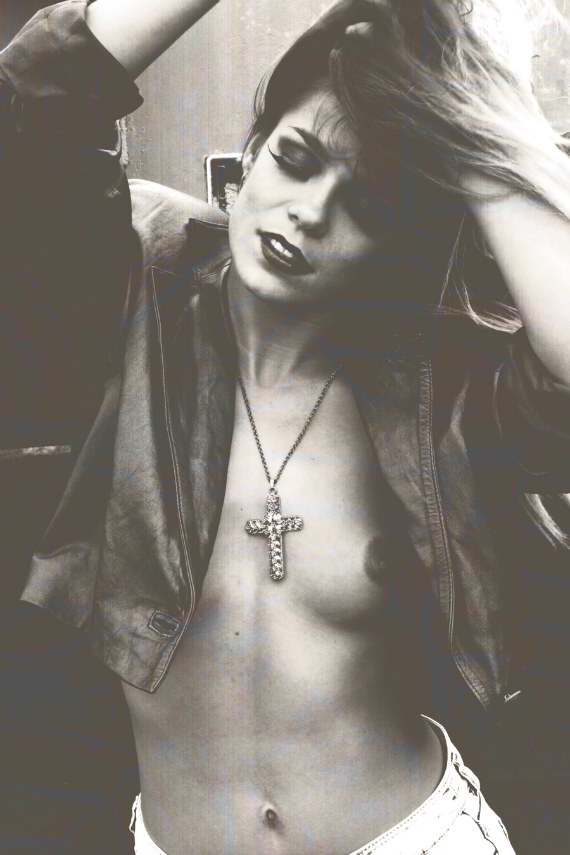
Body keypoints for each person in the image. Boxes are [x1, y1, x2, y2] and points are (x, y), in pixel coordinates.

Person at [1, 0, 569, 853]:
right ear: (251, 153)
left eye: (363, 203)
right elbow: (31, 105)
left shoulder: (434, 382)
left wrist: (463, 102)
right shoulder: (131, 291)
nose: (309, 212)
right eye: (296, 160)